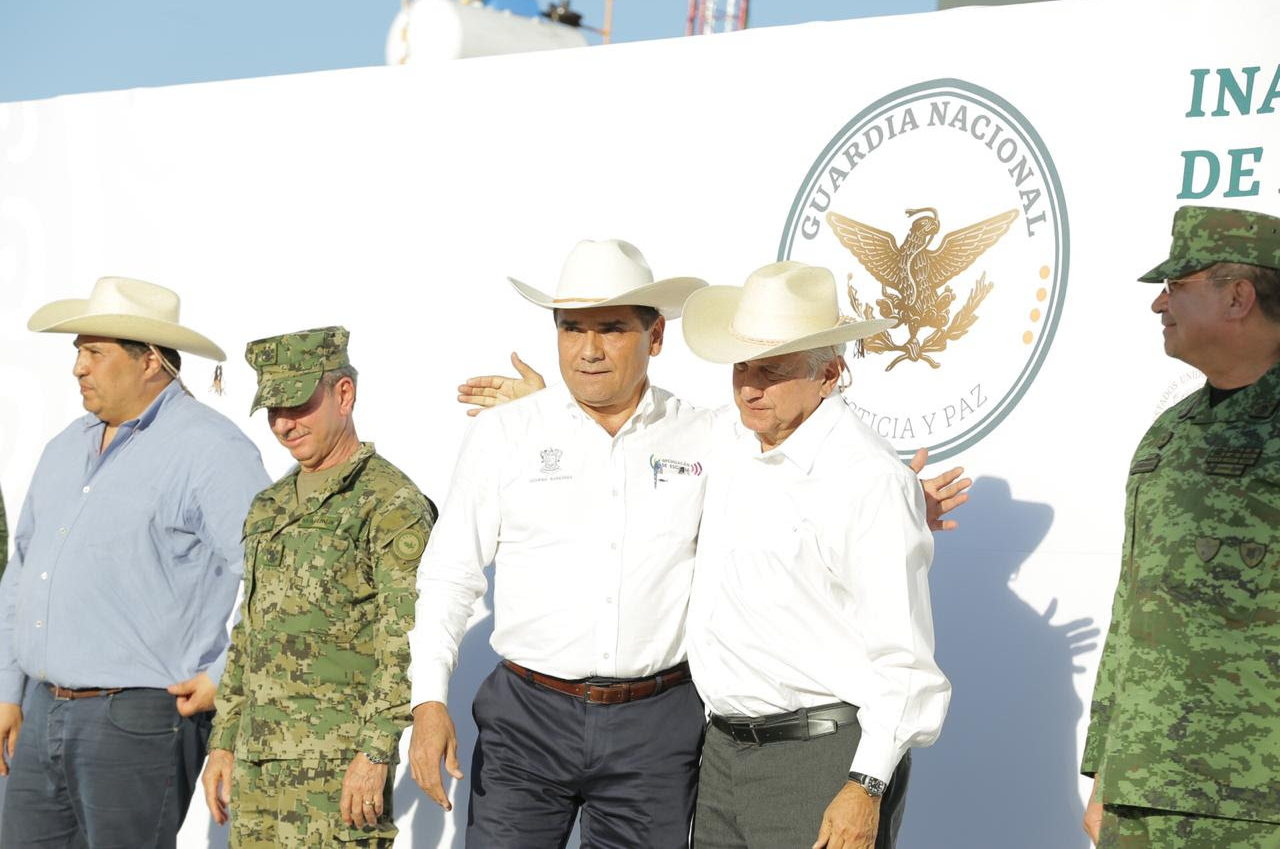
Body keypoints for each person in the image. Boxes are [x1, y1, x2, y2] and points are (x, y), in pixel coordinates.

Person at [411, 241, 970, 847]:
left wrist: (896, 499)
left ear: (655, 337)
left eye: (611, 329)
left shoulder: (710, 434)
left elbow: (822, 468)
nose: (589, 349)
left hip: (662, 732)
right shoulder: (514, 435)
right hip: (533, 721)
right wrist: (428, 699)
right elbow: (449, 576)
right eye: (572, 328)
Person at [679, 261, 950, 849]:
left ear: (828, 375)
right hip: (720, 756)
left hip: (822, 761)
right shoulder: (729, 438)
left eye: (772, 370)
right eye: (741, 366)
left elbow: (904, 659)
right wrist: (549, 410)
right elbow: (644, 433)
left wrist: (865, 785)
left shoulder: (868, 481)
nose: (749, 387)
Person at [0, 276, 269, 846]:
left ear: (149, 361)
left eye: (95, 353)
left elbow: (274, 575)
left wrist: (226, 675)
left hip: (140, 717)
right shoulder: (65, 447)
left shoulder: (210, 449)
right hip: (42, 707)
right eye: (78, 352)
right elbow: (22, 571)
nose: (78, 368)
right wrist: (7, 689)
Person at [1080, 205, 1280, 848]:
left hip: (1260, 801)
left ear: (1239, 297)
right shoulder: (1170, 435)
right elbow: (1134, 606)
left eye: (1175, 286)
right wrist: (1105, 767)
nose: (1158, 304)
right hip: (1148, 789)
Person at [201, 326, 436, 848]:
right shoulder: (269, 506)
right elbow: (249, 634)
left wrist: (375, 753)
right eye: (273, 410)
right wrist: (224, 742)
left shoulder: (389, 503)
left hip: (337, 776)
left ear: (344, 394)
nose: (285, 424)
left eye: (298, 405)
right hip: (258, 772)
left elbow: (403, 640)